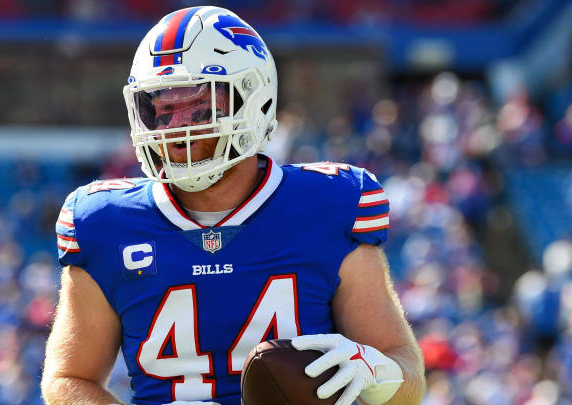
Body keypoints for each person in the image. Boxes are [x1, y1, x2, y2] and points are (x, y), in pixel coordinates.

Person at [41, 6, 425, 405]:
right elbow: (68, 378)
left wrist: (373, 370)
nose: (176, 129)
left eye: (198, 106)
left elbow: (408, 378)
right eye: (162, 109)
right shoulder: (104, 222)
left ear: (253, 100)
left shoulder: (331, 204)